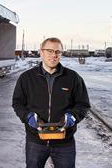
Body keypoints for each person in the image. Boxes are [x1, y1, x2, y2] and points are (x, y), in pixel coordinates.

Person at [12, 37, 90, 168]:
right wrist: (27, 116)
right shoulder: (26, 78)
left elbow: (83, 104)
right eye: (49, 51)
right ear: (41, 52)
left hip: (64, 142)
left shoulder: (73, 78)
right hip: (36, 141)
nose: (53, 55)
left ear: (61, 54)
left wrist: (72, 116)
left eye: (57, 52)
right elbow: (18, 103)